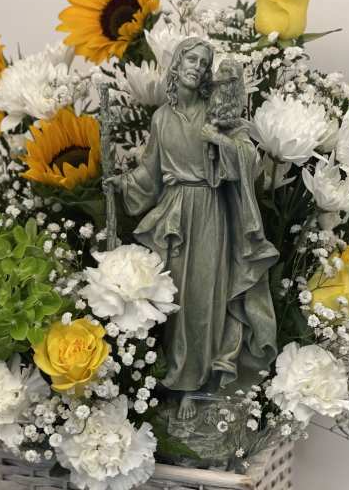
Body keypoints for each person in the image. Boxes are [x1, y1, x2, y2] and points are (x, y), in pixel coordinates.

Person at [105, 37, 278, 420]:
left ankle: (196, 386)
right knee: (173, 299)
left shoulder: (212, 110)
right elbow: (151, 172)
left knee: (203, 299)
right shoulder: (161, 118)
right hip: (172, 213)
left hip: (210, 211)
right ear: (177, 63)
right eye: (191, 59)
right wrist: (124, 184)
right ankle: (170, 379)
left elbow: (248, 156)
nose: (197, 67)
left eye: (204, 63)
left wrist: (220, 141)